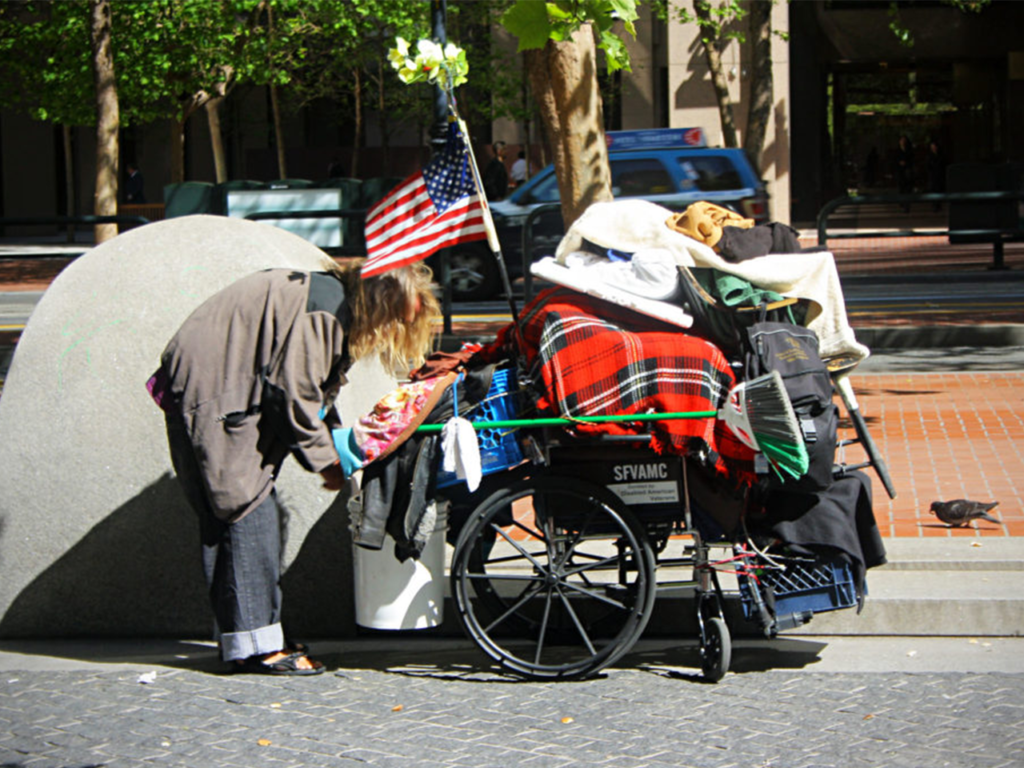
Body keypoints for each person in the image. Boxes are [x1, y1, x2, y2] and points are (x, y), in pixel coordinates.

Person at [149, 259, 440, 675]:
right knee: (248, 512)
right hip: (213, 389)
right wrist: (326, 463)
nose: (394, 332)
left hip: (211, 383)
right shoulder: (325, 313)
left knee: (231, 515)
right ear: (382, 305)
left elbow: (313, 392)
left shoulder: (334, 304)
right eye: (398, 319)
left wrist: (336, 447)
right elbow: (296, 395)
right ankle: (260, 649)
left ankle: (247, 639)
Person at [895, 135, 914, 212]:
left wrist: (906, 163)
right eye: (901, 140)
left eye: (904, 140)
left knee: (907, 189)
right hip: (900, 172)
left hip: (907, 171)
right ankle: (902, 203)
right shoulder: (897, 151)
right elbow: (894, 160)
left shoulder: (909, 150)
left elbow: (911, 160)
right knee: (901, 188)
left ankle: (906, 205)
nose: (902, 142)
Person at [927, 140, 946, 212]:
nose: (933, 148)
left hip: (940, 175)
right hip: (933, 175)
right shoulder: (929, 156)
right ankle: (934, 205)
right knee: (933, 190)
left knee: (939, 190)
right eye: (932, 146)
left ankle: (938, 205)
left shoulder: (941, 155)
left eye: (934, 146)